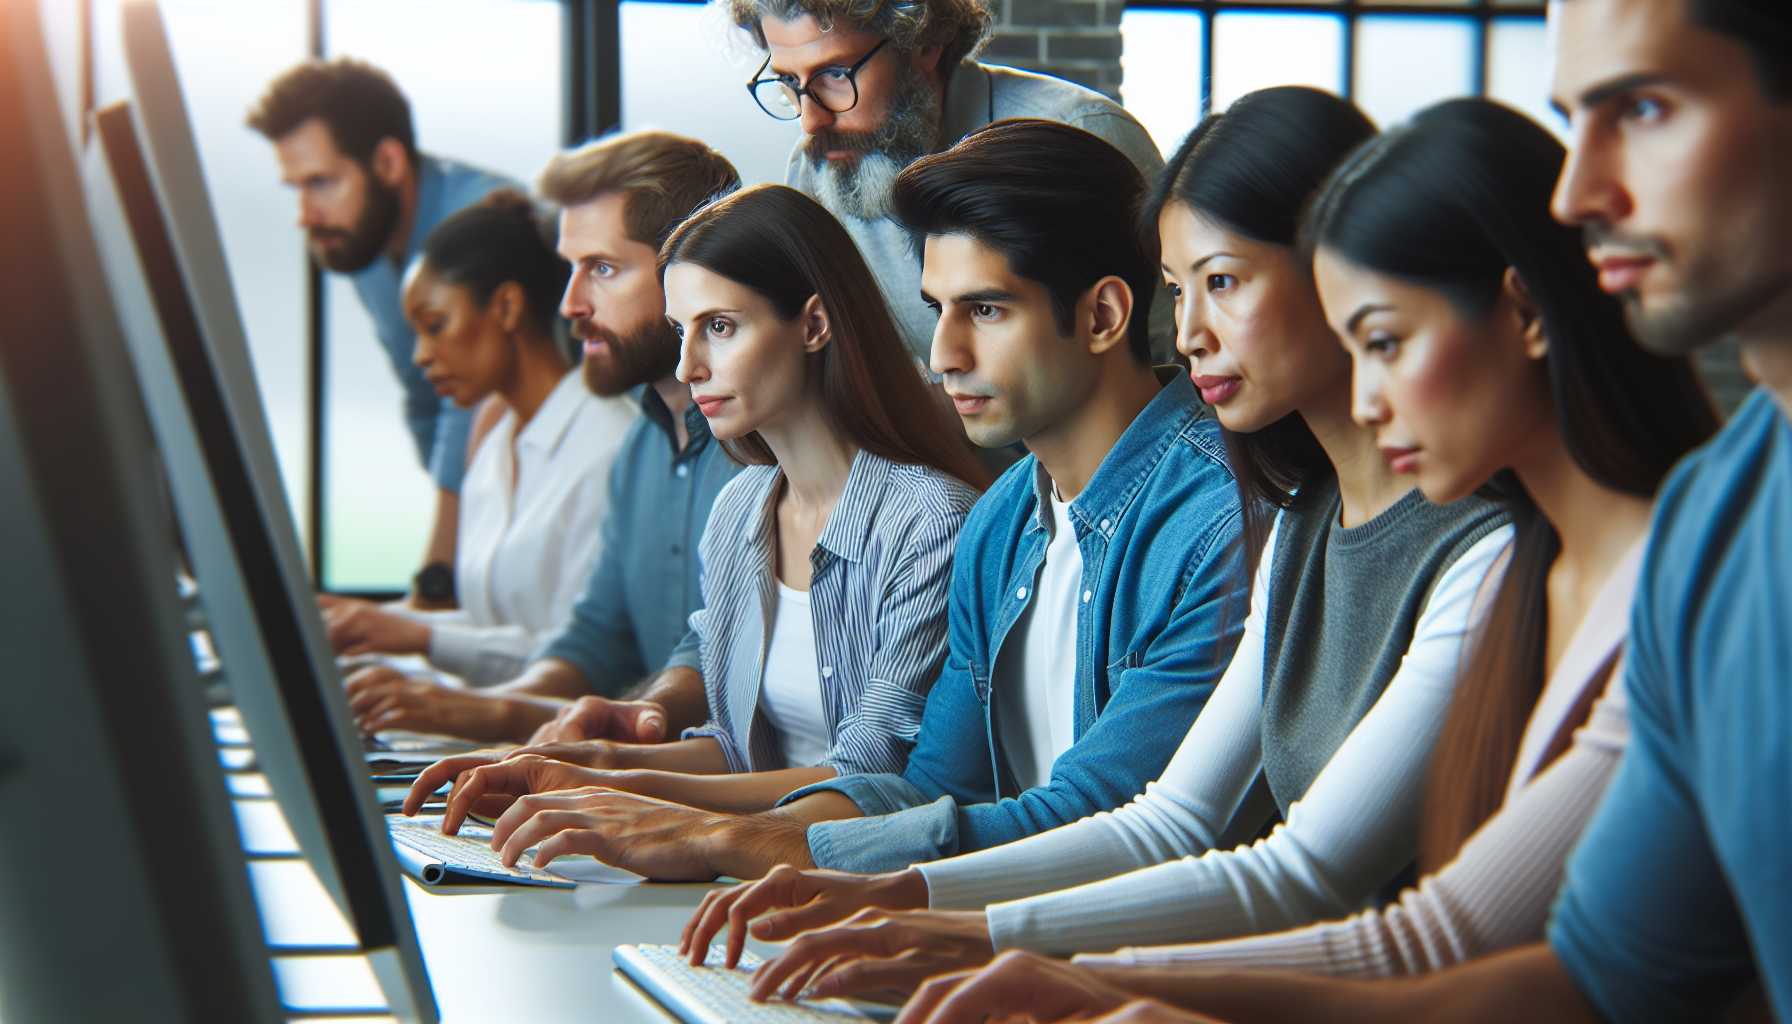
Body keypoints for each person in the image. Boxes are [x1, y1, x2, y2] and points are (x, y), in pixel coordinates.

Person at [893, 0, 1792, 1019]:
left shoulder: (1538, 545)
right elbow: (1585, 967)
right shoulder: (1706, 521)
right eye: (1180, 289)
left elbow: (1367, 901)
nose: (1579, 193)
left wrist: (1001, 941)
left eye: (1641, 107)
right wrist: (990, 943)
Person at [685, 88, 1529, 1001]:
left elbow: (1283, 872)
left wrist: (979, 934)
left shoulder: (1254, 514)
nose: (942, 356)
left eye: (1225, 281)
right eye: (1181, 288)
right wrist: (892, 891)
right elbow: (1060, 806)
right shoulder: (1269, 520)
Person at [419, 119, 1247, 883]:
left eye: (986, 311)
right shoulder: (1003, 525)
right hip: (994, 936)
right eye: (937, 312)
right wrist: (629, 797)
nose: (946, 354)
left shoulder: (1215, 515)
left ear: (1102, 315)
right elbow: (925, 791)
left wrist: (727, 840)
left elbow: (1098, 816)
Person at [392, 183, 985, 825]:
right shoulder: (739, 511)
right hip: (734, 872)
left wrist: (624, 794)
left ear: (814, 324)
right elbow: (735, 751)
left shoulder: (930, 522)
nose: (687, 367)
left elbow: (871, 776)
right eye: (682, 332)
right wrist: (582, 764)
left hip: (849, 891)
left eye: (720, 328)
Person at [341, 131, 746, 742]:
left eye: (602, 269)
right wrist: (474, 707)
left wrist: (484, 711)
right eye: (572, 269)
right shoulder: (642, 448)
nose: (569, 305)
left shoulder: (759, 454)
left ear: (690, 276)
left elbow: (713, 694)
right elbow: (594, 641)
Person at [314, 191, 638, 689]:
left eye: (435, 325)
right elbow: (489, 633)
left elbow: (581, 657)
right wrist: (370, 628)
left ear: (507, 307)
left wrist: (414, 636)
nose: (421, 357)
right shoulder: (493, 450)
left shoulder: (609, 446)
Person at [727, 0, 1170, 363]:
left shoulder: (1083, 134)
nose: (810, 120)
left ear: (924, 44)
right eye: (788, 81)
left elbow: (1160, 364)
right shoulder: (815, 171)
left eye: (835, 75)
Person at [249, 59, 514, 586]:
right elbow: (423, 395)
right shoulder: (365, 241)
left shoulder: (480, 223)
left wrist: (438, 576)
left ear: (389, 161)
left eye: (322, 183)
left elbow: (470, 403)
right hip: (494, 509)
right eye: (295, 188)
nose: (305, 214)